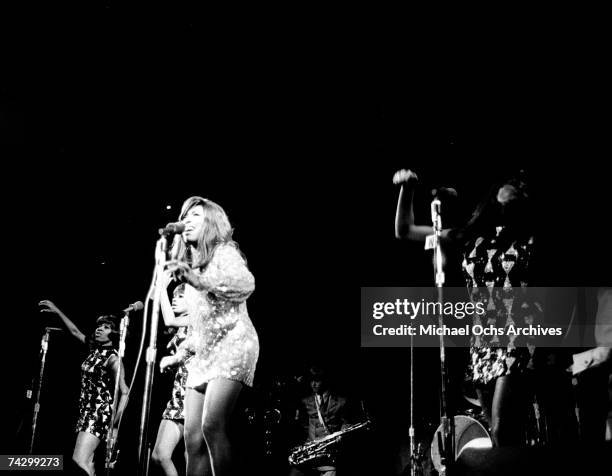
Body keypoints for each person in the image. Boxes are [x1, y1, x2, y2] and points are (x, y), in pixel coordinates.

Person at [393, 169, 538, 447]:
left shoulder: (528, 238)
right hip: (482, 341)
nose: (516, 189)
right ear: (494, 196)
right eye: (512, 184)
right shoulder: (467, 237)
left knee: (503, 431)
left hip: (518, 339)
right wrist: (407, 189)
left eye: (522, 189)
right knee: (495, 435)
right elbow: (405, 231)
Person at [159, 196, 259, 476]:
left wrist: (197, 280)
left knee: (212, 425)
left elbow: (245, 285)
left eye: (196, 216)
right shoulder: (193, 262)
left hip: (234, 343)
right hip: (205, 351)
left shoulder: (224, 253)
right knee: (192, 438)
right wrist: (179, 354)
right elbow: (203, 323)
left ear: (211, 223)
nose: (187, 221)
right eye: (185, 216)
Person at [38, 300, 128, 476]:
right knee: (86, 463)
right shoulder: (94, 349)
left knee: (79, 460)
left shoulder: (113, 359)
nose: (100, 329)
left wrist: (115, 425)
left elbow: (125, 392)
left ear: (115, 333)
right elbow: (74, 331)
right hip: (85, 411)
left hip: (98, 414)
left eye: (107, 327)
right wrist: (57, 310)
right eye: (99, 326)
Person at [151, 282, 193, 476]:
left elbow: (168, 319)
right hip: (178, 392)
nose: (175, 299)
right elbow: (153, 301)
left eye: (181, 296)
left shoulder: (196, 319)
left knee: (190, 455)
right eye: (174, 296)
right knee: (159, 455)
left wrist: (161, 287)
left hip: (193, 390)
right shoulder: (182, 323)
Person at [289, 367, 353, 476]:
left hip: (329, 452)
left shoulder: (341, 401)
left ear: (325, 381)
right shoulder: (305, 401)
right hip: (311, 450)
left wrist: (342, 432)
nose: (313, 384)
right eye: (311, 381)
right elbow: (303, 425)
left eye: (317, 381)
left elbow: (345, 422)